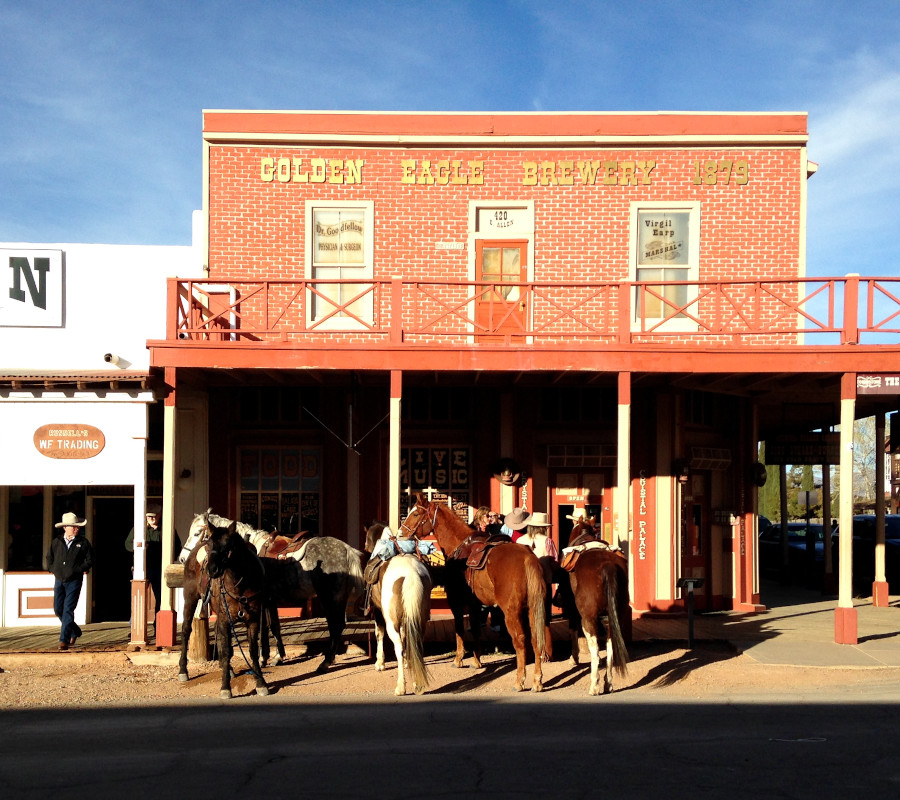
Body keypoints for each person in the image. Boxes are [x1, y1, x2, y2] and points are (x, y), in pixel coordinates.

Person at [46, 512, 95, 650]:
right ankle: (75, 631)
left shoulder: (83, 542)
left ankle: (64, 640)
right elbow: (49, 557)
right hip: (59, 579)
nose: (76, 529)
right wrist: (53, 569)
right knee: (58, 609)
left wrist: (78, 569)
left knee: (68, 609)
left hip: (74, 580)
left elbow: (90, 559)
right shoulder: (57, 542)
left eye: (77, 527)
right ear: (65, 527)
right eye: (73, 527)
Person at [126, 503, 181, 617]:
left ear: (159, 515)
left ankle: (157, 625)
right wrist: (138, 547)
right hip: (143, 567)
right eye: (148, 516)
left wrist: (170, 560)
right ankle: (136, 626)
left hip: (160, 568)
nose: (151, 518)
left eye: (153, 516)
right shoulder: (139, 529)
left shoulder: (167, 529)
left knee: (161, 598)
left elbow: (177, 545)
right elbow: (127, 544)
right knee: (138, 597)